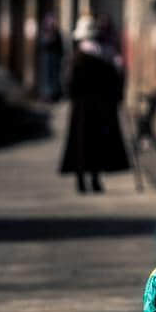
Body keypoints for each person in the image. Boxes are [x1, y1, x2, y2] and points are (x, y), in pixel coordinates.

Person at [59, 14, 130, 193]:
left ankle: (81, 181)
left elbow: (69, 84)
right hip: (101, 107)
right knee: (97, 144)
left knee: (81, 143)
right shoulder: (107, 55)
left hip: (81, 108)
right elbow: (116, 80)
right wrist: (116, 97)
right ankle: (96, 180)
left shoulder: (77, 57)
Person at [37, 13, 63, 101]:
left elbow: (59, 47)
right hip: (47, 58)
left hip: (54, 58)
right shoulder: (45, 32)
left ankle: (53, 94)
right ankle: (46, 94)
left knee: (54, 76)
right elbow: (43, 44)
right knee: (46, 76)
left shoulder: (56, 33)